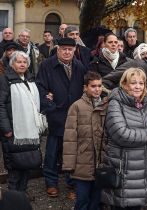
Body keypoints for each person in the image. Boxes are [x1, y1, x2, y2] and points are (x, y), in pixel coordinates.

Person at [102, 68, 147, 210]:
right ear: (124, 84)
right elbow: (122, 134)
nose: (138, 86)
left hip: (142, 170)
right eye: (133, 83)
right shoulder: (116, 103)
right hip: (123, 169)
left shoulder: (144, 104)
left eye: (141, 83)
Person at [36, 37, 87, 198]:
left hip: (74, 116)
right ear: (57, 50)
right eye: (63, 49)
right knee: (52, 152)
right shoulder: (47, 65)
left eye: (70, 50)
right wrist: (50, 106)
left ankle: (72, 183)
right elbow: (40, 87)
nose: (66, 52)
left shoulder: (79, 66)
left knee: (72, 152)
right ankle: (51, 183)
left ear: (74, 51)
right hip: (56, 115)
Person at [62, 71, 107, 210]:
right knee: (82, 199)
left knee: (96, 199)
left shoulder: (106, 105)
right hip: (82, 161)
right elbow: (70, 137)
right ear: (85, 87)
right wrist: (69, 165)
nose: (97, 89)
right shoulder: (77, 106)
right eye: (93, 86)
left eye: (100, 86)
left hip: (101, 161)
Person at [0, 51, 42, 195]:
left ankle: (22, 195)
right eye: (19, 62)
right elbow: (0, 105)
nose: (22, 64)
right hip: (13, 131)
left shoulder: (30, 79)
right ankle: (13, 198)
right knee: (15, 167)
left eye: (25, 62)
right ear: (12, 64)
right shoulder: (5, 80)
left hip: (30, 130)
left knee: (27, 165)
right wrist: (6, 128)